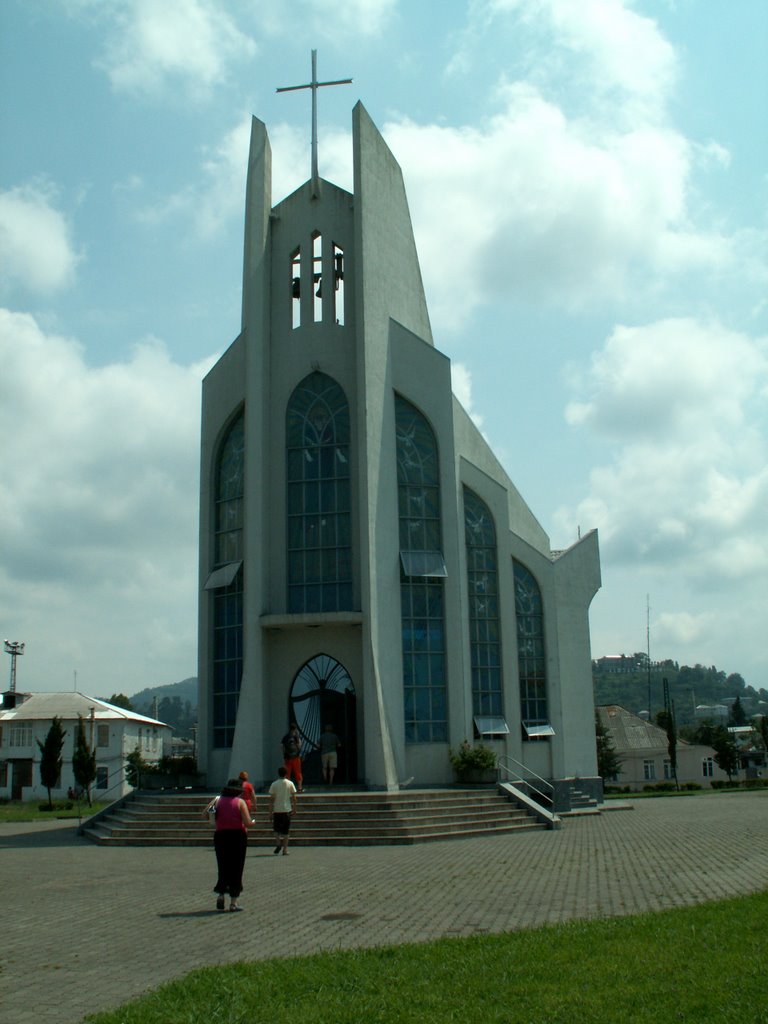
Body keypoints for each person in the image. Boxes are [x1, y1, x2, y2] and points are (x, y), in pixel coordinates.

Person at [202, 778, 254, 911]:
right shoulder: (240, 802)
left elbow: (204, 814)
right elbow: (247, 822)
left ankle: (220, 895)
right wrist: (253, 822)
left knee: (223, 865)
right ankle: (233, 902)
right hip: (237, 836)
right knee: (237, 867)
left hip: (221, 836)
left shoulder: (218, 800)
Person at [268, 765, 297, 855]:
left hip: (277, 809)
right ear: (286, 774)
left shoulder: (274, 784)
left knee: (276, 830)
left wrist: (270, 812)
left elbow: (271, 799)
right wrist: (294, 808)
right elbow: (294, 797)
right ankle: (285, 849)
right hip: (287, 809)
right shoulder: (290, 783)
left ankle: (278, 843)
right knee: (286, 831)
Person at [281, 722, 304, 792]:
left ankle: (287, 789)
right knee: (298, 772)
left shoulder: (285, 737)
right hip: (296, 757)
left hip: (288, 757)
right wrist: (298, 752)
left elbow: (281, 746)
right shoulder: (296, 736)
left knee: (287, 773)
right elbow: (300, 745)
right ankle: (299, 788)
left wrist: (284, 754)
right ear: (295, 729)